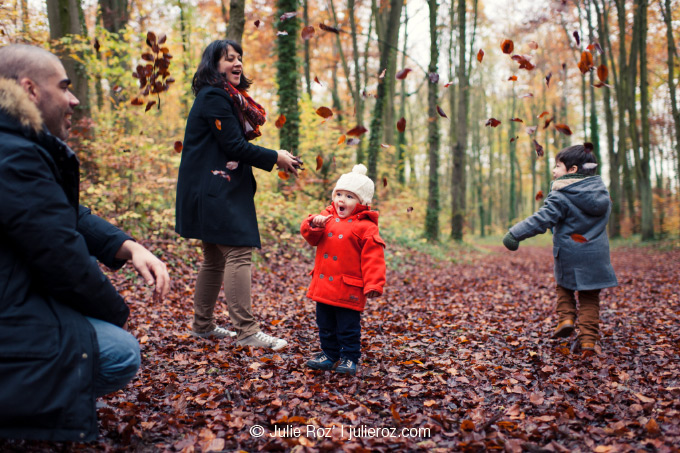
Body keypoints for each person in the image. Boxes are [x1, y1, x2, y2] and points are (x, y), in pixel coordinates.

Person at [0, 44, 170, 441]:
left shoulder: (15, 146)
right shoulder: (12, 155)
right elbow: (60, 258)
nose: (74, 99)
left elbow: (58, 212)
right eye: (64, 87)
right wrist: (117, 313)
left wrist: (128, 246)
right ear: (30, 89)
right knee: (118, 351)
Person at [175, 39, 299, 350]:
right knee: (238, 252)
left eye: (239, 57)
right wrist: (275, 157)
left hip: (212, 189)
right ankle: (247, 330)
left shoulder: (227, 98)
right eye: (229, 58)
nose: (237, 63)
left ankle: (202, 326)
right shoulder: (215, 97)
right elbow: (233, 146)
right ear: (213, 65)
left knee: (215, 259)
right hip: (215, 189)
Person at [502, 143, 618, 352]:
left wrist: (515, 233)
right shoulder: (602, 195)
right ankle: (589, 340)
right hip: (597, 256)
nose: (554, 171)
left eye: (557, 166)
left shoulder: (562, 194)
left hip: (569, 253)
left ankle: (566, 319)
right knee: (590, 297)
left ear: (572, 170)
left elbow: (541, 219)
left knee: (564, 286)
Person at [300, 164, 386, 375]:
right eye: (339, 194)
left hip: (348, 287)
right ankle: (329, 354)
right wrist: (314, 224)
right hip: (325, 285)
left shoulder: (366, 227)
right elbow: (310, 237)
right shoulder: (325, 217)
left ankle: (349, 357)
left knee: (348, 326)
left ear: (362, 202)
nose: (341, 200)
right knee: (325, 323)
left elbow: (373, 258)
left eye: (349, 196)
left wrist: (374, 283)